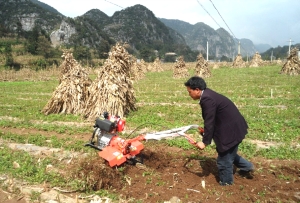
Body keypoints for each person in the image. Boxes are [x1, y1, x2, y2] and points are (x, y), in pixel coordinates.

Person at [184, 76, 254, 186]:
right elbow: (214, 119)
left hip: (231, 130)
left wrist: (205, 142)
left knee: (224, 159)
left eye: (189, 92)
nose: (189, 94)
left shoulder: (207, 99)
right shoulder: (208, 94)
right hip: (233, 127)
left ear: (197, 90)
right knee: (229, 152)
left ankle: (227, 184)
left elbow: (210, 121)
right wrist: (206, 132)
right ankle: (247, 167)